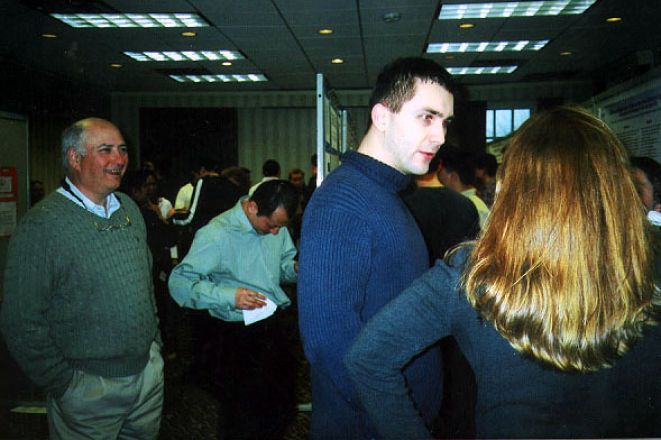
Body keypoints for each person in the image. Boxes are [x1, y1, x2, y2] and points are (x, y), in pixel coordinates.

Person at [345, 106, 661, 439]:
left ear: (510, 187)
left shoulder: (474, 272)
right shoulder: (653, 258)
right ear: (616, 185)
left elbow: (368, 359)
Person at [298, 57, 456, 440]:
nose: (440, 137)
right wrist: (402, 425)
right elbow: (327, 342)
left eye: (445, 122)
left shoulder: (383, 195)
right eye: (426, 117)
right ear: (382, 117)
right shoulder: (343, 202)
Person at [1, 117, 164, 439]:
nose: (119, 160)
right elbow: (20, 320)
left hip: (146, 375)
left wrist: (154, 347)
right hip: (87, 387)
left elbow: (144, 287)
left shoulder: (129, 208)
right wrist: (62, 383)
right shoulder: (43, 225)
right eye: (105, 150)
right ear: (75, 159)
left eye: (122, 149)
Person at [168, 179, 299, 439]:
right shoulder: (216, 233)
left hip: (273, 325)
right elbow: (179, 283)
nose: (276, 232)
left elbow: (280, 265)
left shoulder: (276, 225)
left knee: (281, 410)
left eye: (281, 227)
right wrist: (228, 296)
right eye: (271, 225)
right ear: (252, 207)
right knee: (242, 418)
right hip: (236, 336)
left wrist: (294, 269)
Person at [437, 146, 490, 228]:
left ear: (453, 176)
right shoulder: (473, 204)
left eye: (440, 171)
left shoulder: (470, 207)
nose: (438, 177)